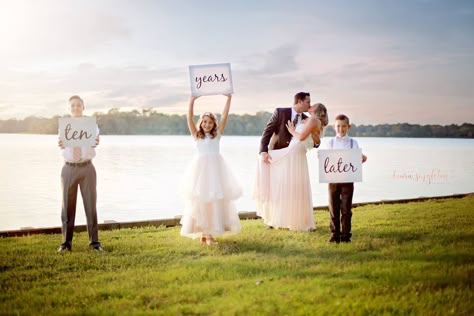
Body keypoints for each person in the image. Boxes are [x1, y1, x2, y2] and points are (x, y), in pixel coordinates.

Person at [254, 103, 328, 231]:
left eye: (312, 105)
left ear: (317, 110)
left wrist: (292, 131)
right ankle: (288, 218)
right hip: (296, 152)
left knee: (268, 163)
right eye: (308, 102)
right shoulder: (314, 121)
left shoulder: (313, 120)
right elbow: (316, 139)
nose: (310, 105)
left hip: (294, 152)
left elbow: (301, 137)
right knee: (289, 185)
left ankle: (280, 216)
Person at [180, 94, 242, 245]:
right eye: (204, 122)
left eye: (210, 122)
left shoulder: (217, 135)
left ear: (214, 125)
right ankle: (207, 235)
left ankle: (206, 233)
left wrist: (228, 99)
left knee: (213, 200)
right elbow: (189, 118)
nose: (207, 125)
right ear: (200, 123)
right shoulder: (197, 136)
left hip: (216, 172)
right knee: (202, 201)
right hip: (200, 172)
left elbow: (225, 115)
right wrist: (192, 100)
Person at [57, 95, 103, 252]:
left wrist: (96, 140)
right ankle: (65, 243)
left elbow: (96, 139)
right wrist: (60, 143)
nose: (75, 108)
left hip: (87, 168)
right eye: (72, 106)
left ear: (83, 107)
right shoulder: (65, 126)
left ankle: (95, 243)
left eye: (78, 105)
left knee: (91, 206)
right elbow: (62, 143)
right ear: (69, 109)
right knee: (67, 206)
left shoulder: (91, 125)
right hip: (69, 168)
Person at [323, 114, 367, 243]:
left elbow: (357, 160)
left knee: (346, 209)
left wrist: (362, 158)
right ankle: (334, 235)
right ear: (334, 127)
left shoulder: (354, 143)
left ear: (349, 127)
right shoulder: (330, 142)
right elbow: (327, 161)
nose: (341, 129)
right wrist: (322, 159)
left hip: (348, 180)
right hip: (333, 180)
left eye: (343, 126)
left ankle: (346, 235)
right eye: (338, 126)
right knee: (333, 208)